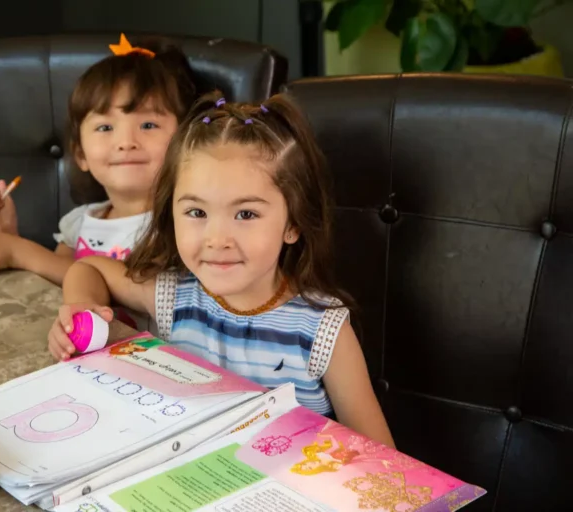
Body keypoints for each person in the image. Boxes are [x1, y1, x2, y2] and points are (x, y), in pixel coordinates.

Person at [47, 92, 394, 446]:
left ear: (293, 224)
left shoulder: (323, 331)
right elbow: (90, 268)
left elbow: (384, 460)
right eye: (197, 213)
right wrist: (81, 306)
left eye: (246, 214)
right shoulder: (173, 296)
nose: (217, 239)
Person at [0, 34, 196, 287]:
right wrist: (7, 237)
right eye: (106, 128)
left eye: (148, 124)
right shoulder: (79, 222)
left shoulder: (181, 224)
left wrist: (17, 251)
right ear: (81, 155)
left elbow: (131, 289)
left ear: (185, 142)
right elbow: (56, 279)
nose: (126, 142)